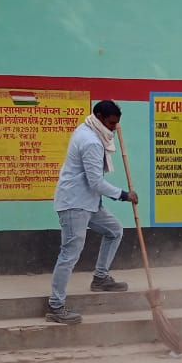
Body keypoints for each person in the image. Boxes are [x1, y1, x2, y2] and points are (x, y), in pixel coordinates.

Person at [46, 100, 138, 325]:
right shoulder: (90, 142)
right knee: (70, 254)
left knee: (114, 230)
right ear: (98, 116)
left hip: (88, 202)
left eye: (116, 124)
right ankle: (56, 306)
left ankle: (100, 278)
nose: (113, 128)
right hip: (74, 204)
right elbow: (95, 182)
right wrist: (124, 194)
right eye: (110, 123)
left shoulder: (90, 130)